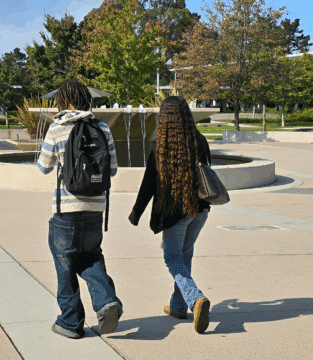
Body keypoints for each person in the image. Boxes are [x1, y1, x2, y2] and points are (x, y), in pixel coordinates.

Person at [36, 80, 122, 339]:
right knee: (91, 255)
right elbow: (113, 170)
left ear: (62, 101)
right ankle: (106, 300)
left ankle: (70, 322)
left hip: (66, 209)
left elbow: (44, 167)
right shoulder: (102, 128)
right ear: (87, 100)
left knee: (65, 264)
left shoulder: (57, 128)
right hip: (96, 209)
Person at [128, 96, 213, 334]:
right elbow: (208, 173)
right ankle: (178, 306)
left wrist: (136, 212)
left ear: (164, 118)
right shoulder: (200, 141)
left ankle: (195, 299)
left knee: (172, 258)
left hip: (175, 213)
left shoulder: (161, 145)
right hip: (200, 210)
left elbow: (148, 183)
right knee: (185, 255)